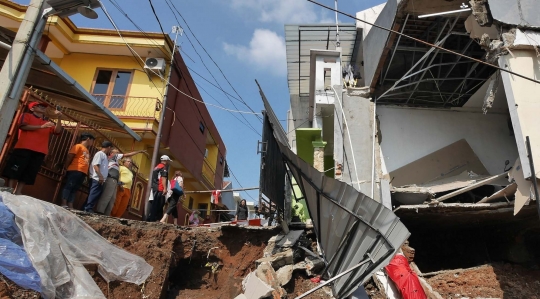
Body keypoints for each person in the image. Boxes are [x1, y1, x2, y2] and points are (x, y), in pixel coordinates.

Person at [2, 102, 63, 195]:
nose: (42, 108)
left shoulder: (47, 122)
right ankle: (10, 188)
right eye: (39, 106)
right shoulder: (26, 115)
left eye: (44, 107)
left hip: (39, 150)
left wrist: (59, 118)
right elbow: (23, 126)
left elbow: (57, 131)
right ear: (32, 109)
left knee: (29, 171)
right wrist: (41, 127)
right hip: (24, 147)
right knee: (15, 168)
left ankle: (18, 191)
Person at [95, 148, 145, 216]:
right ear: (111, 153)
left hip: (119, 184)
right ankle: (100, 211)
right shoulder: (112, 160)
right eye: (116, 152)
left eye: (131, 162)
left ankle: (107, 214)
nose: (118, 153)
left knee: (112, 200)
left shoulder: (118, 164)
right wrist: (139, 151)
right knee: (108, 197)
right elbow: (127, 155)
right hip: (115, 182)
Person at [61, 133, 95, 208]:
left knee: (75, 188)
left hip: (82, 171)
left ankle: (70, 204)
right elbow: (70, 156)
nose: (92, 143)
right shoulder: (78, 146)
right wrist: (66, 168)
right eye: (92, 141)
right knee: (69, 186)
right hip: (75, 169)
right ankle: (64, 202)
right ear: (88, 139)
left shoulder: (87, 150)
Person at [83, 141, 113, 213]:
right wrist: (100, 176)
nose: (110, 150)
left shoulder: (104, 155)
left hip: (100, 178)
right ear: (109, 147)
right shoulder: (100, 154)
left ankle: (86, 208)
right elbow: (96, 165)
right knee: (93, 193)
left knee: (95, 194)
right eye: (111, 148)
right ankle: (87, 208)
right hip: (96, 178)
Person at [148, 155, 172, 221]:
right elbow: (163, 178)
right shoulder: (163, 168)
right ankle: (154, 219)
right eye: (168, 161)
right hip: (160, 188)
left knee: (155, 203)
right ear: (166, 161)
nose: (168, 162)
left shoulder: (157, 167)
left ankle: (153, 218)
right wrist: (165, 188)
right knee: (159, 204)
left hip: (155, 187)